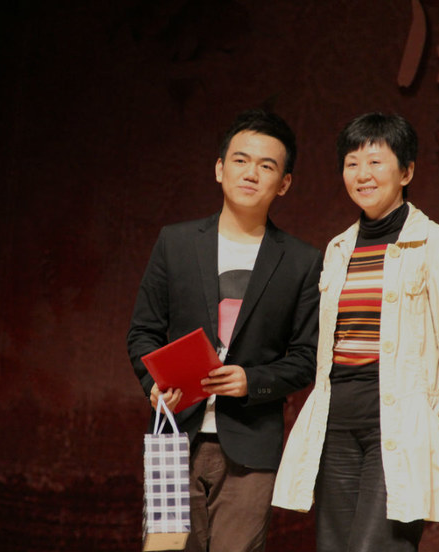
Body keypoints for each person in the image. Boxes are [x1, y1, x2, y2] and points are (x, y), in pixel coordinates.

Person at [272, 112, 439, 551]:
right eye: (352, 163)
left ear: (406, 172)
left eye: (376, 162)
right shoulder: (338, 248)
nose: (362, 174)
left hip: (398, 423)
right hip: (337, 424)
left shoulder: (436, 243)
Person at [127, 109, 321, 552]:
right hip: (174, 439)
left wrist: (252, 381)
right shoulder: (175, 243)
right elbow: (143, 331)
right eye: (240, 160)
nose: (251, 173)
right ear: (219, 168)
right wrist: (153, 385)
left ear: (284, 183)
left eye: (266, 166)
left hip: (251, 447)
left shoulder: (302, 262)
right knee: (166, 551)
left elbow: (306, 357)